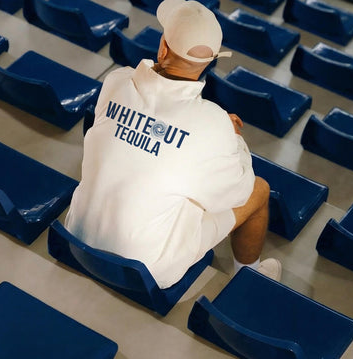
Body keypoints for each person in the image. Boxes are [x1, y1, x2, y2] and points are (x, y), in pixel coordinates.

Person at [65, 0, 281, 289]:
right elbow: (237, 192)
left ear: (163, 47)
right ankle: (250, 279)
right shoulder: (213, 122)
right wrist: (234, 140)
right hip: (144, 266)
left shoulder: (117, 81)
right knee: (258, 190)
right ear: (211, 61)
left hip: (76, 235)